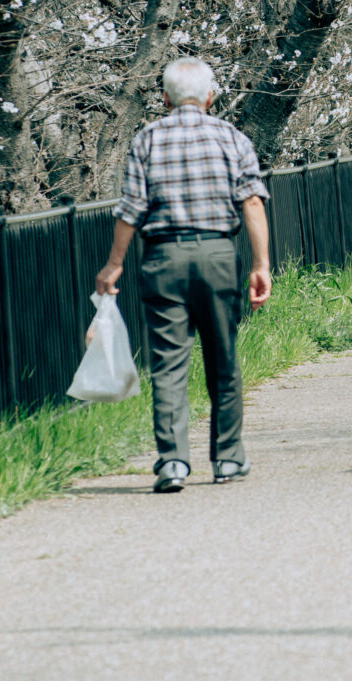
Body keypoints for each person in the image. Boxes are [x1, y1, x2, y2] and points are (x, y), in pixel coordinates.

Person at [96, 57, 273, 494]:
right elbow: (251, 202)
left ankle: (173, 463)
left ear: (165, 98)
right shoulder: (231, 137)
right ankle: (228, 459)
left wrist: (114, 263)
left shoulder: (148, 139)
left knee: (169, 365)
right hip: (216, 255)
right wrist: (260, 264)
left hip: (163, 258)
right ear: (210, 97)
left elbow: (132, 208)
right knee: (223, 360)